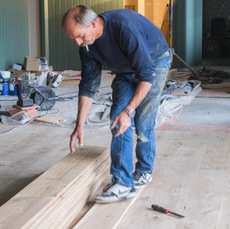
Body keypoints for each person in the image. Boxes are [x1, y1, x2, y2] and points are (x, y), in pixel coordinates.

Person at [62, 5, 171, 203]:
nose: (78, 42)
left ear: (93, 24)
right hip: (125, 69)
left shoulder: (124, 28)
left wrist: (129, 111)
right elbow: (88, 86)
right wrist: (79, 125)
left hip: (155, 62)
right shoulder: (86, 45)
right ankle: (123, 183)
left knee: (143, 122)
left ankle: (144, 170)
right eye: (73, 39)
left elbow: (146, 75)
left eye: (79, 36)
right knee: (117, 119)